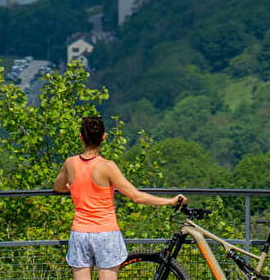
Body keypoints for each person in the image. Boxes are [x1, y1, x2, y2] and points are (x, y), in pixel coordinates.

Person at [55, 114, 185, 280]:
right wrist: (170, 200)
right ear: (104, 137)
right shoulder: (107, 166)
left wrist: (75, 188)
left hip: (80, 232)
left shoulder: (69, 163)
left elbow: (58, 187)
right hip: (106, 232)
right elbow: (136, 196)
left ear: (81, 137)